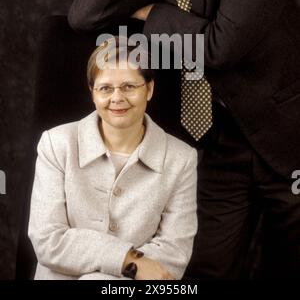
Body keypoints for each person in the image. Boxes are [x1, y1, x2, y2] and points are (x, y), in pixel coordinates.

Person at [68, 0, 300, 279]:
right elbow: (83, 18)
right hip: (213, 144)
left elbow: (217, 49)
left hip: (283, 140)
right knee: (204, 270)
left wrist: (154, 15)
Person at [28, 38, 198, 280]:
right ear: (92, 93)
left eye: (129, 86)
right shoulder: (56, 144)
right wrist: (129, 261)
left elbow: (174, 251)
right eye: (105, 88)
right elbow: (47, 239)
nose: (117, 98)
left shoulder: (182, 159)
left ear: (149, 89)